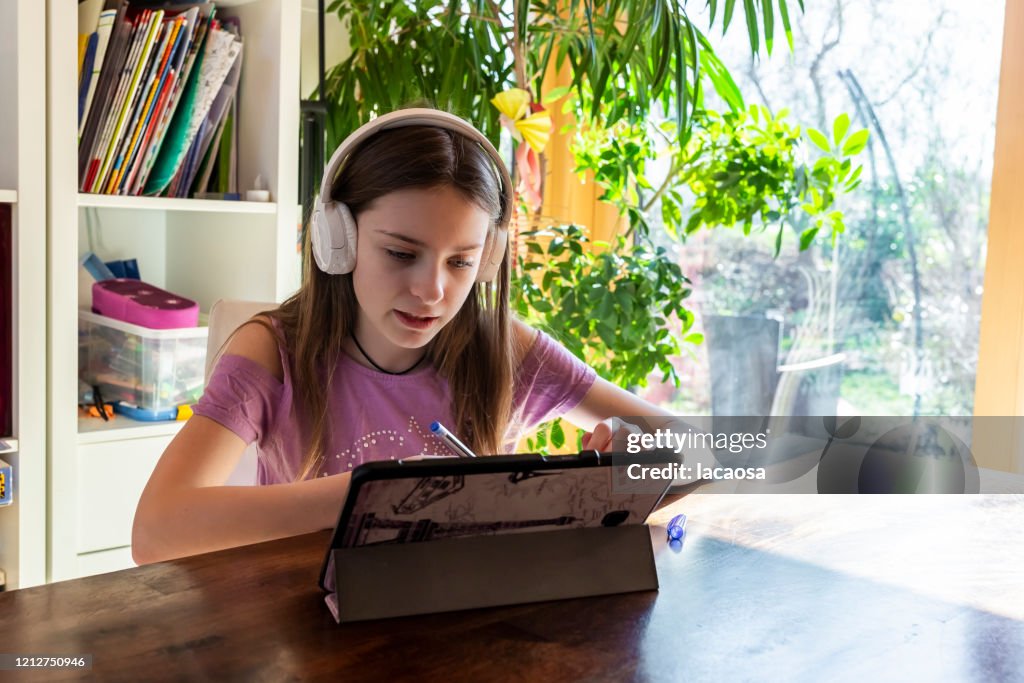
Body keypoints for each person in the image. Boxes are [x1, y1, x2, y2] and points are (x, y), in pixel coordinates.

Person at [132, 108, 671, 565]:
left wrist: (640, 447)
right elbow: (155, 532)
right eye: (400, 253)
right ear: (336, 239)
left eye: (460, 262)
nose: (433, 290)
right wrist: (371, 493)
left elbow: (708, 448)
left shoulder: (505, 347)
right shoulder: (274, 350)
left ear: (488, 259)